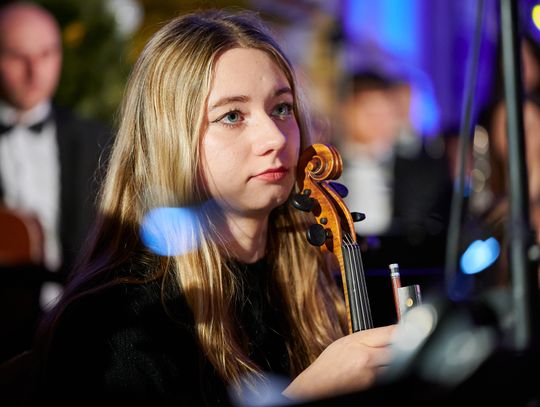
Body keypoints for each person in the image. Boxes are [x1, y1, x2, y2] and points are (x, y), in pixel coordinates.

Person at [0, 9, 395, 406]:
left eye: (281, 108)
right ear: (171, 140)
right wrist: (305, 394)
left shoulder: (318, 283)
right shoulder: (116, 323)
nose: (274, 138)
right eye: (232, 116)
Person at [0, 2, 111, 362]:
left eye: (46, 54)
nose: (34, 72)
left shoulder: (97, 140)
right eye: (17, 56)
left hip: (83, 330)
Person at [335, 69, 453, 325]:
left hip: (406, 285)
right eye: (370, 112)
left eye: (386, 112)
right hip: (340, 288)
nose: (380, 122)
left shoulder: (422, 169)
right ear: (348, 111)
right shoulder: (325, 168)